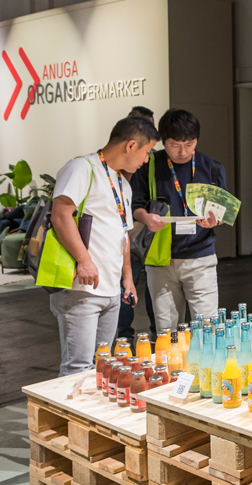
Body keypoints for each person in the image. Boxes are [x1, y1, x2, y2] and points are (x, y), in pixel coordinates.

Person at [48, 117, 159, 377]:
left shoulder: (123, 184)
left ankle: (91, 418)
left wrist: (128, 278)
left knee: (101, 365)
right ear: (131, 146)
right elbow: (61, 215)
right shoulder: (81, 168)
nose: (146, 160)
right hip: (81, 289)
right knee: (78, 367)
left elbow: (123, 234)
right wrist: (84, 260)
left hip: (110, 289)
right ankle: (70, 417)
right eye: (146, 153)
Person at [131, 109, 224, 332]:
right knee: (167, 329)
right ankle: (171, 367)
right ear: (163, 141)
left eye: (189, 144)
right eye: (175, 145)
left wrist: (215, 221)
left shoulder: (211, 168)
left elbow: (223, 212)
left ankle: (204, 366)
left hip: (200, 258)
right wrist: (145, 217)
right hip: (161, 259)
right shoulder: (148, 165)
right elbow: (134, 204)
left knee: (207, 327)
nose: (183, 151)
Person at [118, 105, 158, 340]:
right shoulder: (131, 158)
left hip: (141, 231)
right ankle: (128, 337)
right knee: (130, 284)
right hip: (136, 233)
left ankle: (128, 337)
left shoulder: (143, 157)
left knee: (139, 285)